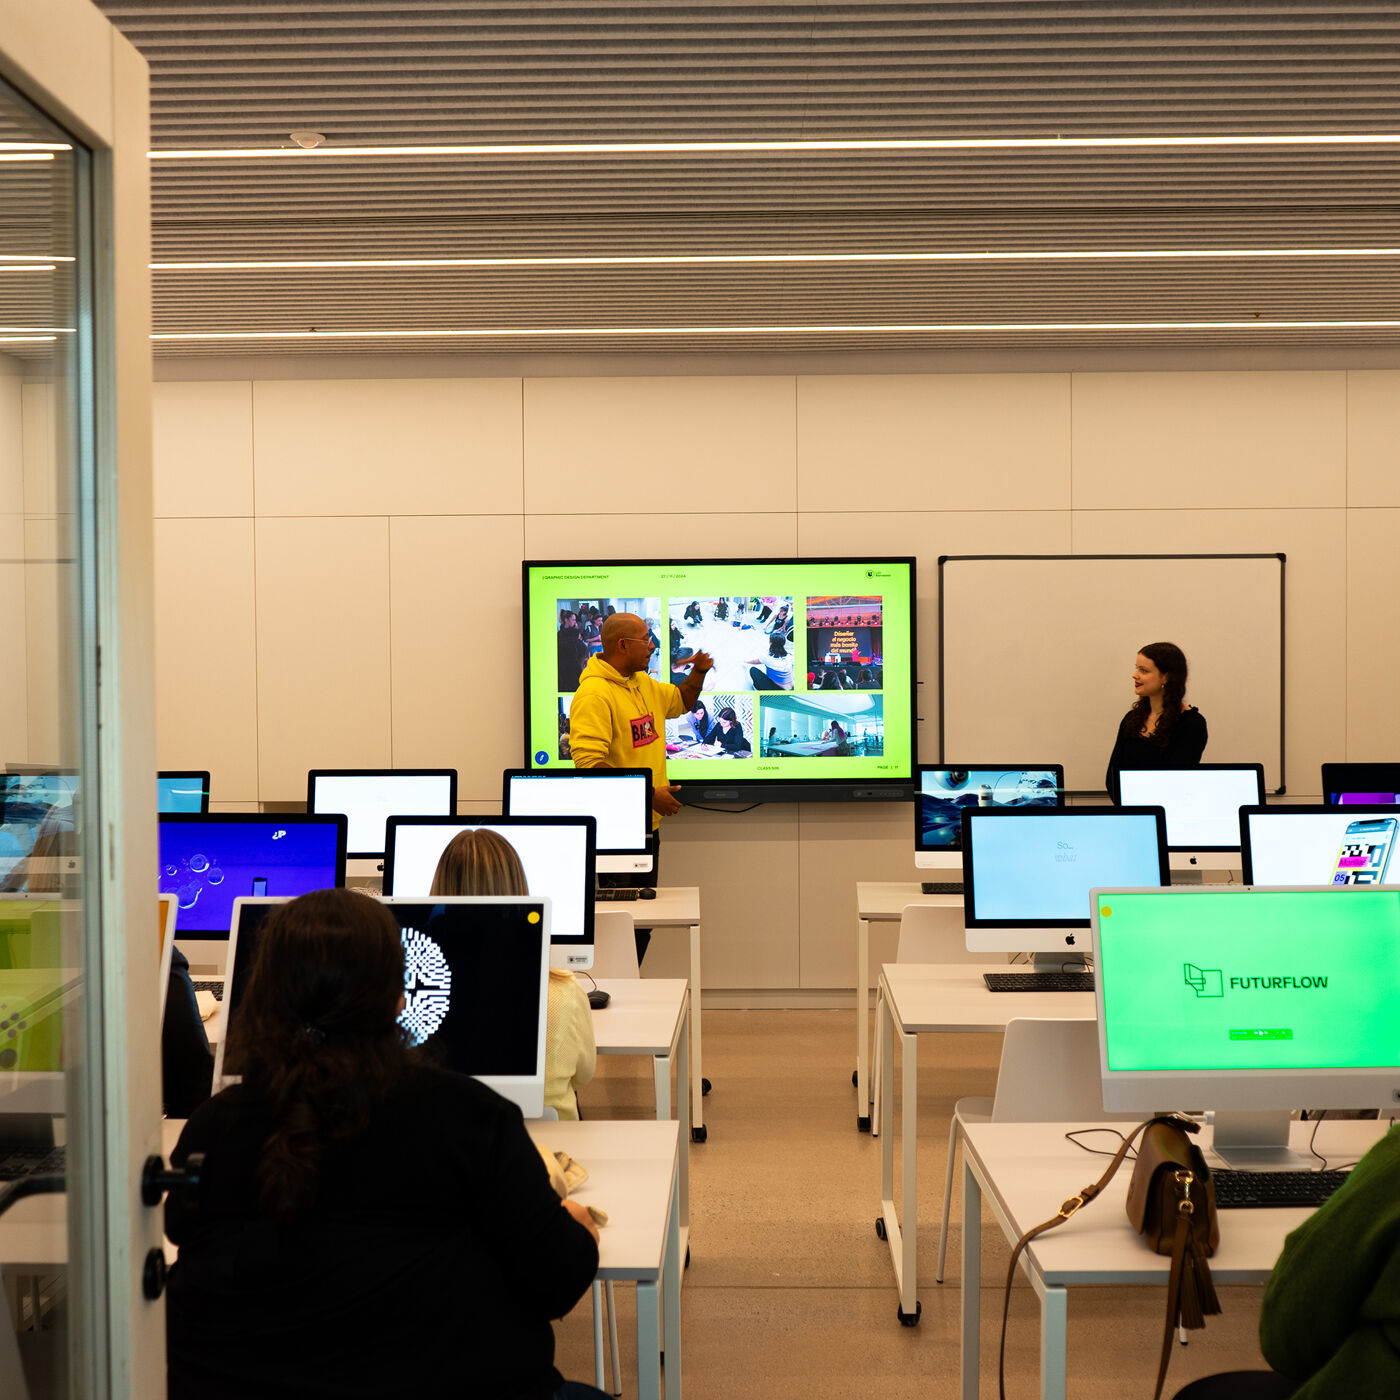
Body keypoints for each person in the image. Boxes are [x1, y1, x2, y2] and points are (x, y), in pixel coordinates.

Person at [164, 889, 601, 1400]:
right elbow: (554, 1281)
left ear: (261, 992)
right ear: (399, 996)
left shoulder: (213, 1127)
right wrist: (578, 1232)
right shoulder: (468, 1116)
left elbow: (185, 1235)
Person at [570, 613, 714, 961]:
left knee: (641, 922)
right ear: (623, 645)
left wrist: (698, 672)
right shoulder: (594, 694)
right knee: (620, 924)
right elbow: (588, 766)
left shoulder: (641, 682)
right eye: (646, 638)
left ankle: (622, 991)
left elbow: (681, 702)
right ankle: (611, 995)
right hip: (612, 834)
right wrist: (649, 795)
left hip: (646, 828)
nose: (652, 645)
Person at [430, 828, 595, 1121]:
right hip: (546, 1152)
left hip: (444, 1147)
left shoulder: (408, 995)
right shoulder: (563, 992)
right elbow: (584, 1076)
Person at [1105, 641, 1209, 803]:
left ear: (1166, 677)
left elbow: (1175, 782)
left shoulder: (1191, 724)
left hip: (1166, 814)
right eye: (1136, 668)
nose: (1135, 675)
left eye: (1143, 671)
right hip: (1129, 814)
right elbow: (1112, 777)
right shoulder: (1131, 718)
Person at [556, 609, 591, 692]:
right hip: (571, 675)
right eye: (573, 620)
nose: (575, 623)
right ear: (566, 620)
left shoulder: (571, 635)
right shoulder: (565, 637)